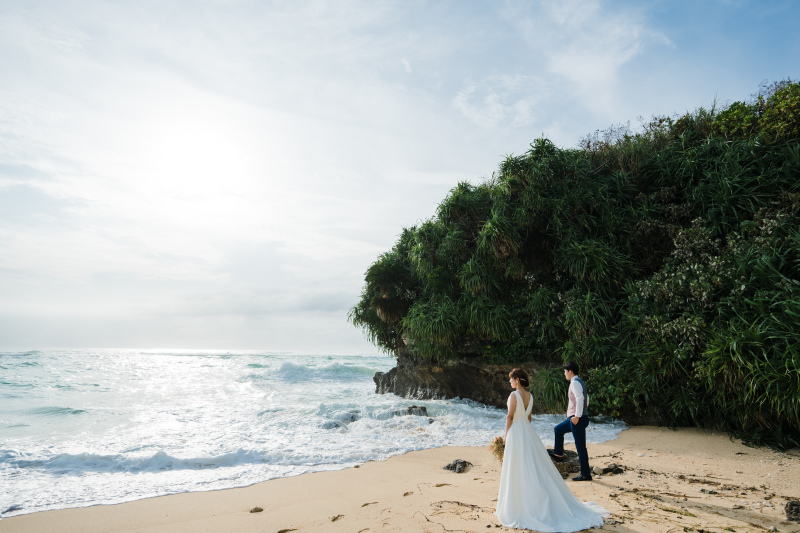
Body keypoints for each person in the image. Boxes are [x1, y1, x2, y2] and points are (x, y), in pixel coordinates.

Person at [495, 368, 608, 531]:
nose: (510, 382)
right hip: (527, 432)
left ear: (518, 379)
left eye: (511, 379)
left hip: (517, 432)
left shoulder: (514, 395)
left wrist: (506, 436)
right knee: (532, 467)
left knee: (518, 467)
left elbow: (510, 417)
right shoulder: (530, 396)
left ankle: (518, 504)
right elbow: (528, 418)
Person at [549, 362, 592, 481]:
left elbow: (580, 399)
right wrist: (582, 413)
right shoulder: (580, 382)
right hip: (577, 418)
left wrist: (578, 416)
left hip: (577, 419)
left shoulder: (574, 383)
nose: (564, 374)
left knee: (580, 447)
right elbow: (586, 400)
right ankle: (558, 454)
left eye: (565, 372)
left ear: (570, 372)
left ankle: (585, 474)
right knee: (558, 429)